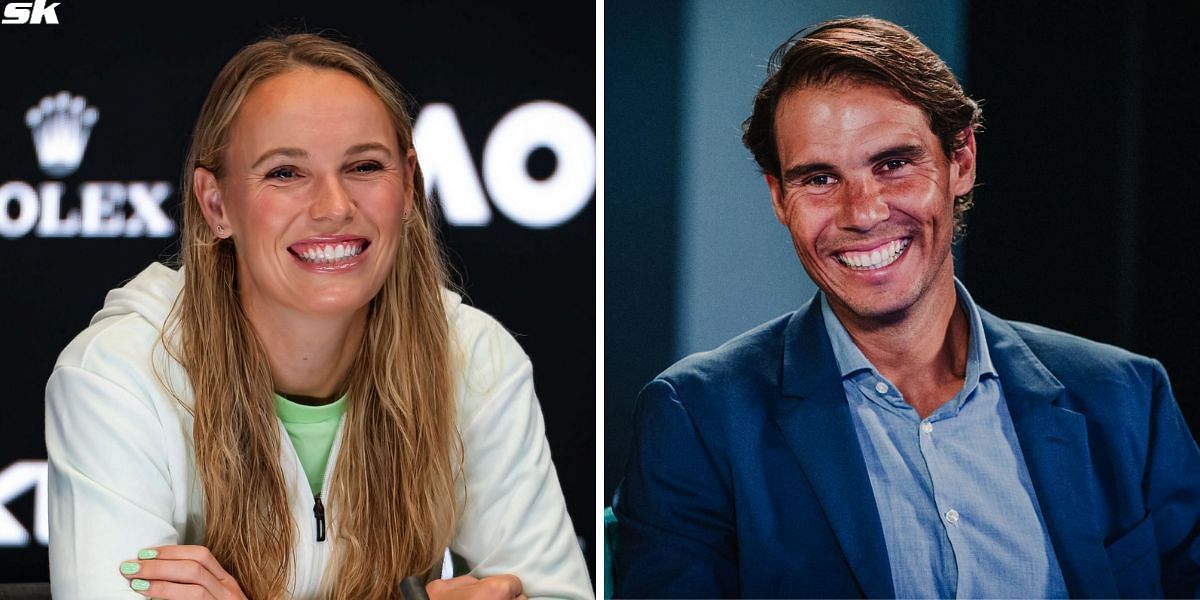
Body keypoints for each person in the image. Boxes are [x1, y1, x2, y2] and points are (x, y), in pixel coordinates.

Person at [611, 16, 1200, 599]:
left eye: (892, 164)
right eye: (818, 178)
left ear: (960, 162)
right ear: (778, 197)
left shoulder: (1126, 399)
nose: (862, 212)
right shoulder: (697, 418)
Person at [45, 32, 592, 600]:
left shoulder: (475, 357)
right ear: (216, 204)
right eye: (285, 173)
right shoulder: (116, 374)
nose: (334, 207)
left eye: (363, 166)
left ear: (407, 186)